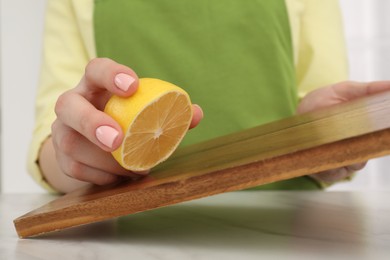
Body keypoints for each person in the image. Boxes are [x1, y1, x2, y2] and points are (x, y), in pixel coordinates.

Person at [28, 0, 390, 194]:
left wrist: (317, 133)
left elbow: (321, 94)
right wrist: (74, 154)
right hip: (134, 233)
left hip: (287, 221)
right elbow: (49, 143)